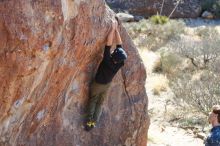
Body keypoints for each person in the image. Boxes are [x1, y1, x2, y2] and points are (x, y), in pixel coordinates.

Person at [85, 21, 127, 131]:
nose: (114, 49)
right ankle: (94, 122)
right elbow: (119, 44)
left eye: (114, 51)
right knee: (100, 103)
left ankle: (89, 122)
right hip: (107, 85)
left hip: (98, 84)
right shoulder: (120, 63)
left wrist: (112, 29)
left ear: (113, 55)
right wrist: (117, 30)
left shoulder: (107, 60)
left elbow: (108, 43)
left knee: (93, 101)